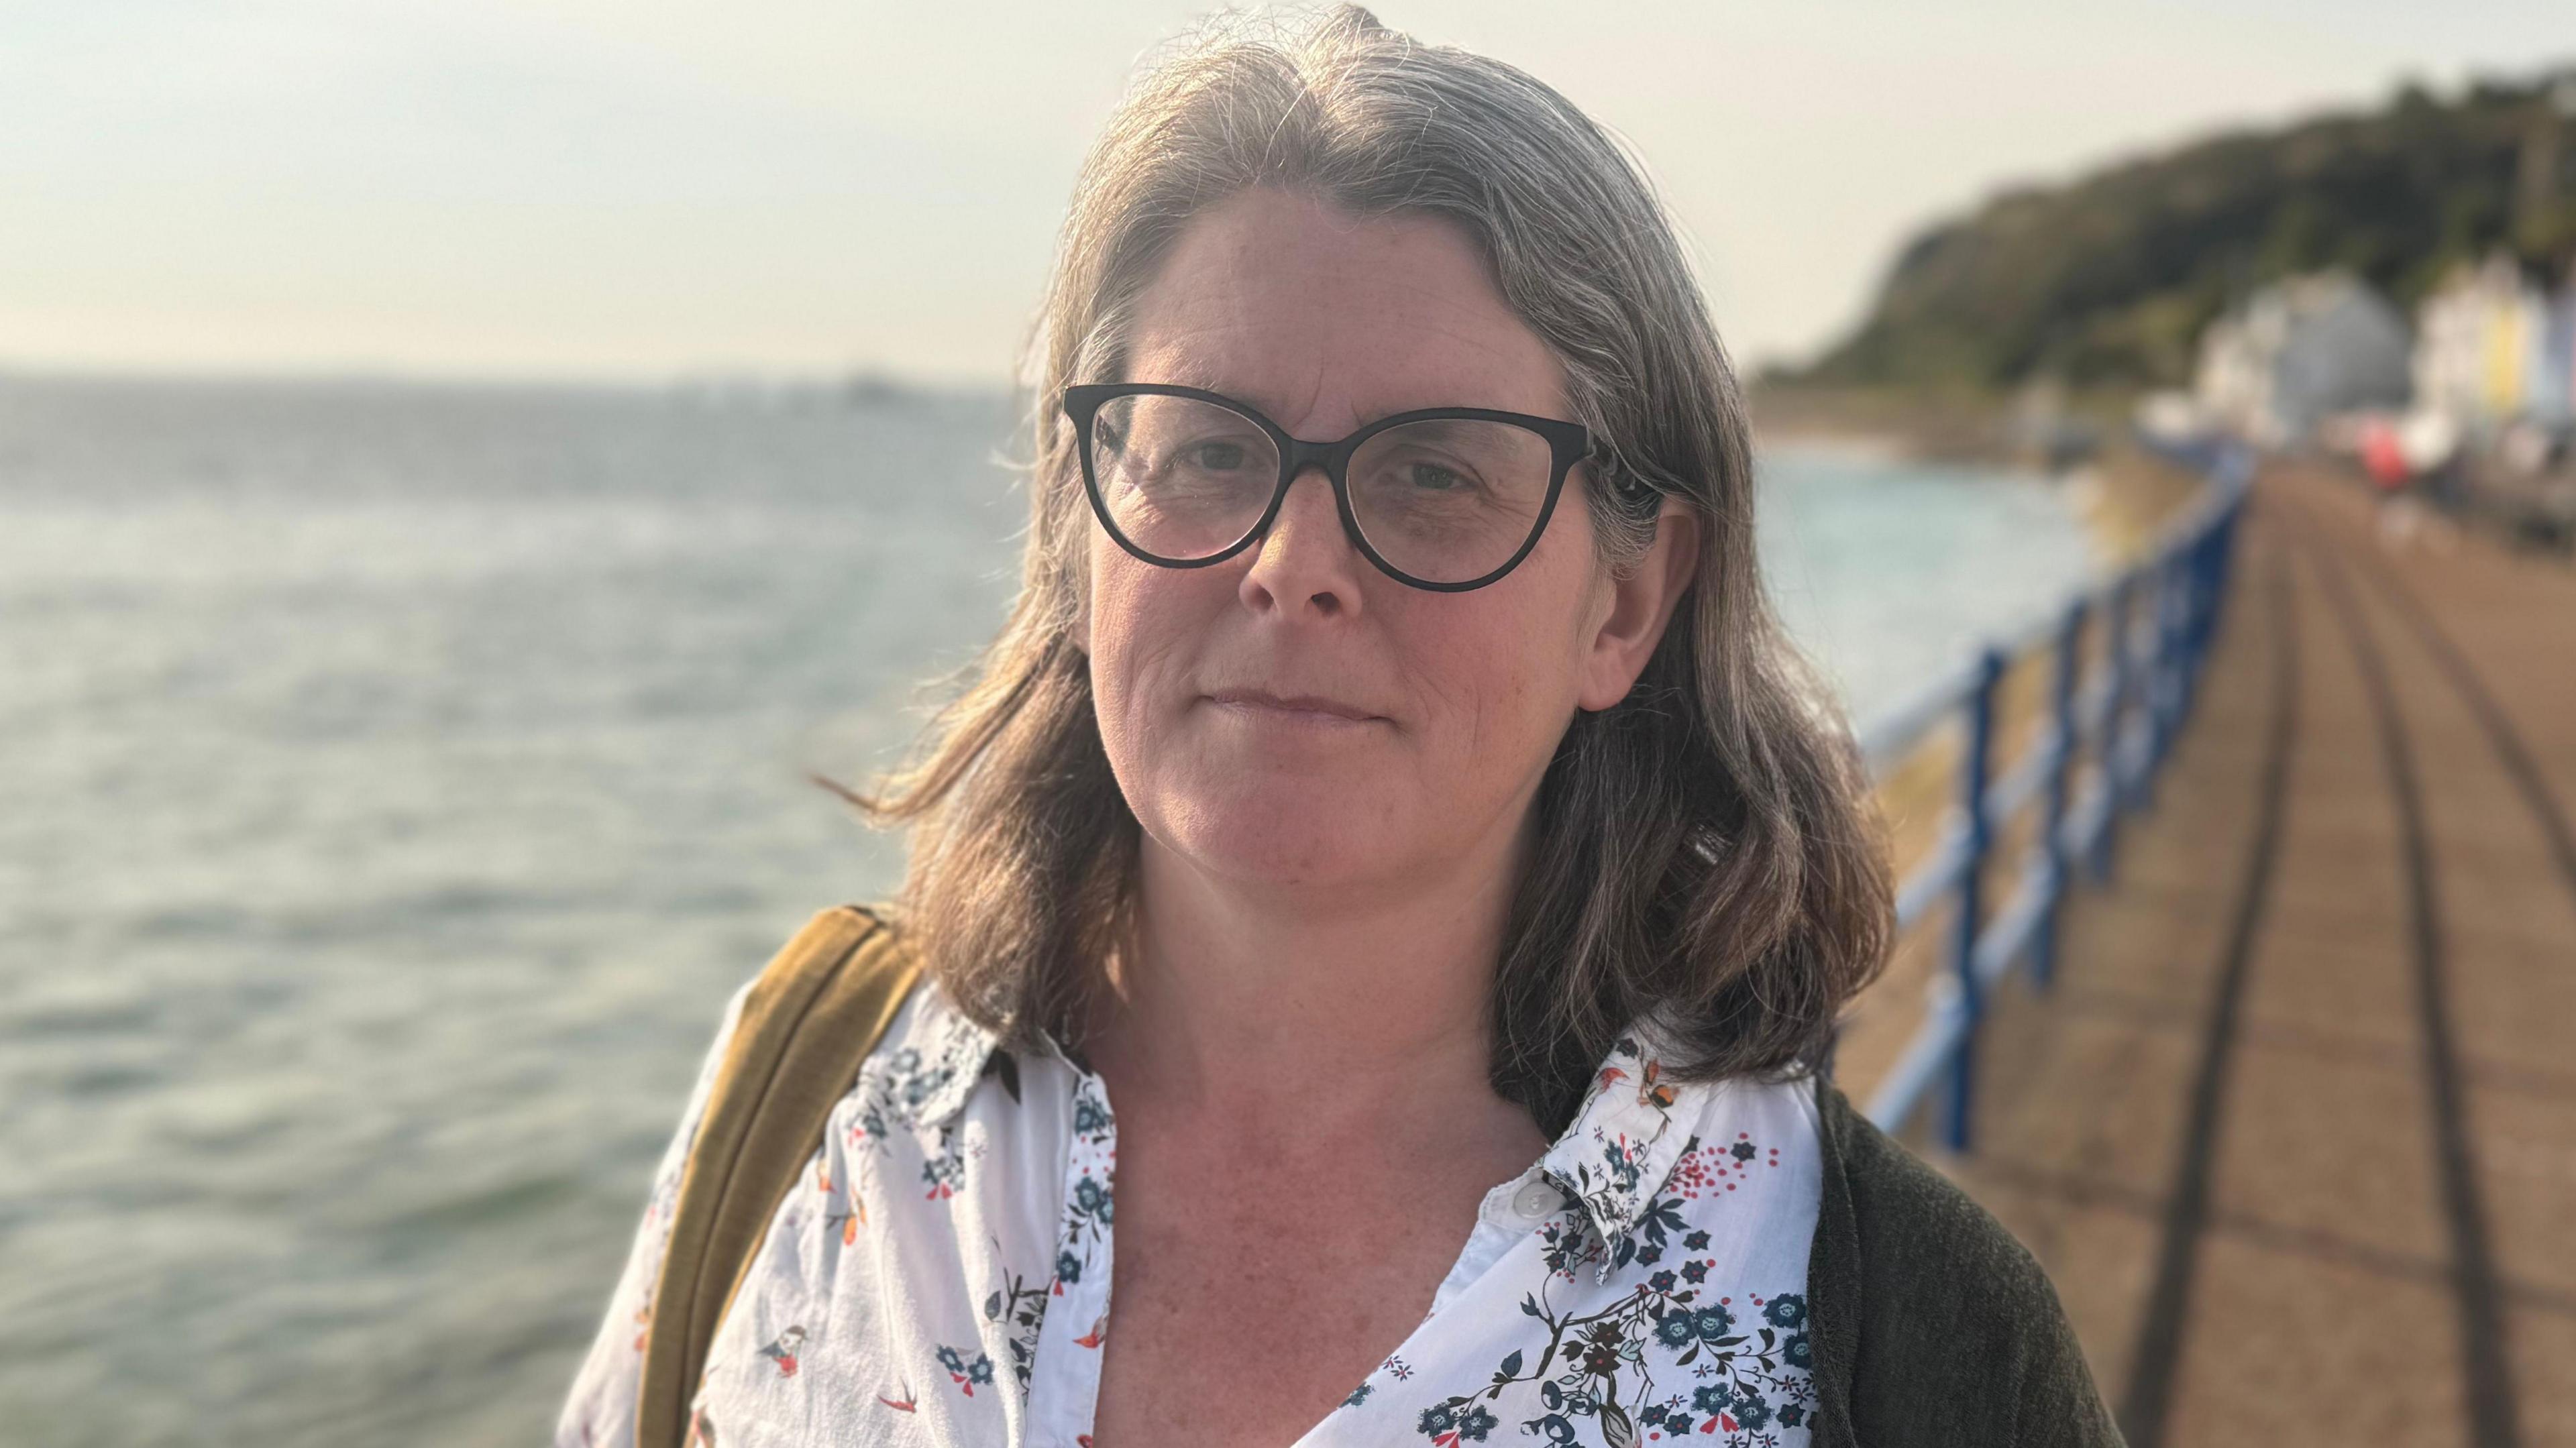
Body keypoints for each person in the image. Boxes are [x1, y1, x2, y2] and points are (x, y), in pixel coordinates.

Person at [557, 8, 2122, 1446]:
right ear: (1075, 526)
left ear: (1629, 603)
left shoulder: (1902, 1346)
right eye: (1204, 451)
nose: (1292, 567)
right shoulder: (816, 1095)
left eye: (1436, 472)